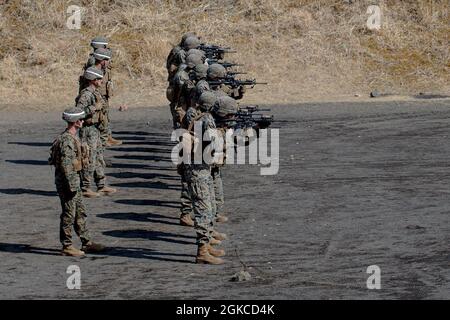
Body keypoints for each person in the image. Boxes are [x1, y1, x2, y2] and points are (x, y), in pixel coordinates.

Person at [49, 107, 105, 256]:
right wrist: (73, 187)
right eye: (80, 119)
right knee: (69, 214)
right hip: (68, 183)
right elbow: (67, 167)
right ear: (74, 122)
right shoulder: (67, 140)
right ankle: (67, 245)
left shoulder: (73, 137)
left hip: (74, 182)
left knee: (80, 212)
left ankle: (86, 242)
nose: (82, 121)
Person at [76, 67, 117, 197]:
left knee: (98, 158)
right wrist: (94, 108)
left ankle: (101, 185)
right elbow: (79, 112)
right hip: (88, 130)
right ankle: (85, 187)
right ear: (93, 80)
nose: (101, 81)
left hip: (96, 129)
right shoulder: (86, 94)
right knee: (88, 158)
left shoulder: (96, 92)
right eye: (99, 79)